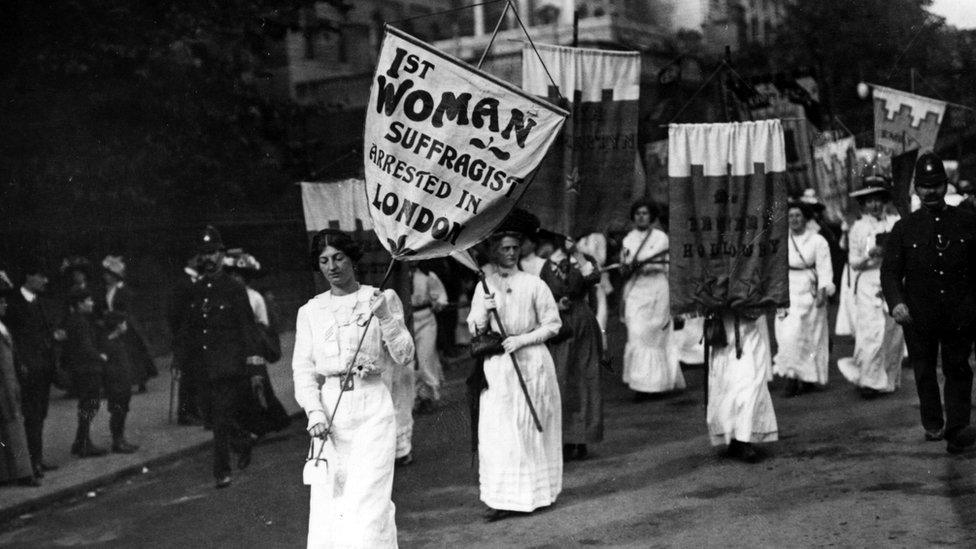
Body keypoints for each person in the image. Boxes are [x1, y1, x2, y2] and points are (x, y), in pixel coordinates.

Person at [292, 229, 414, 548]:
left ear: (352, 259)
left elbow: (404, 355)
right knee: (333, 499)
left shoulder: (380, 298)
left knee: (369, 499)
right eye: (324, 260)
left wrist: (385, 317)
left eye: (338, 257)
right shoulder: (310, 312)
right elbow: (302, 370)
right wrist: (315, 413)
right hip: (332, 413)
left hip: (373, 407)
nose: (332, 266)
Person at [882, 152, 976, 453]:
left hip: (959, 311)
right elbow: (890, 272)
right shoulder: (904, 228)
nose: (930, 191)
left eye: (936, 185)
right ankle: (933, 422)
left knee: (958, 367)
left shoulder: (967, 222)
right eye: (924, 186)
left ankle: (958, 426)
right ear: (916, 189)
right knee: (923, 371)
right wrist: (896, 302)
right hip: (918, 314)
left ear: (946, 185)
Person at [467, 230, 563, 522]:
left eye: (514, 247)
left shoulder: (534, 283)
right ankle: (502, 497)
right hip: (498, 366)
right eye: (504, 248)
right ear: (494, 251)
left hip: (531, 362)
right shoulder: (484, 284)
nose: (510, 253)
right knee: (499, 431)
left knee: (527, 427)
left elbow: (553, 324)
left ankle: (534, 494)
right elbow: (475, 328)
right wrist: (485, 309)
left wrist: (523, 340)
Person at [181, 226, 265, 488]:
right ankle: (242, 440)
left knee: (218, 419)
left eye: (212, 253)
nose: (208, 259)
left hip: (229, 366)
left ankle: (222, 471)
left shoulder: (233, 288)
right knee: (210, 416)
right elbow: (191, 328)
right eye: (203, 254)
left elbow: (247, 329)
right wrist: (181, 360)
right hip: (204, 367)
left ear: (221, 255)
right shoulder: (197, 289)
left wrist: (253, 368)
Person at [537, 230, 603, 461]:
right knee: (561, 378)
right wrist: (555, 304)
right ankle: (564, 438)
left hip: (582, 321)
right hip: (560, 323)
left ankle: (582, 437)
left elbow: (594, 277)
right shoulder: (548, 265)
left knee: (585, 377)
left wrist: (577, 253)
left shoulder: (582, 259)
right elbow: (540, 295)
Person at [837, 175, 904, 398]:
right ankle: (869, 380)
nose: (874, 205)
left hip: (892, 279)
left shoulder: (894, 222)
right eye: (869, 201)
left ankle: (888, 378)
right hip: (868, 281)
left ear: (884, 201)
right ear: (863, 204)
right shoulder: (858, 228)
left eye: (878, 200)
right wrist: (869, 255)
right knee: (871, 332)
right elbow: (854, 263)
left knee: (893, 331)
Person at [620, 199, 685, 399]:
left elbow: (662, 263)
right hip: (637, 289)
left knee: (656, 336)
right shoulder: (628, 239)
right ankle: (640, 384)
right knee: (636, 333)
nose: (641, 216)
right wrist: (629, 266)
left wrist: (642, 264)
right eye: (637, 213)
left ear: (652, 216)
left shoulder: (661, 238)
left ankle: (656, 384)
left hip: (658, 289)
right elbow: (624, 264)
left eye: (645, 213)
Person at [5, 261, 64, 478]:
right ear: (29, 277)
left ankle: (37, 458)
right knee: (32, 416)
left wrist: (54, 337)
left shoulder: (40, 302)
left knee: (40, 415)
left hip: (44, 368)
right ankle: (32, 462)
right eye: (41, 276)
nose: (45, 280)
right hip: (28, 370)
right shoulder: (13, 305)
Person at [224, 251, 290, 439]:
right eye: (232, 275)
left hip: (253, 344)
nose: (235, 279)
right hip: (235, 347)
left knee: (258, 384)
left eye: (239, 276)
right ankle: (248, 425)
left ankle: (266, 423)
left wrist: (254, 332)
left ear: (245, 278)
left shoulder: (255, 298)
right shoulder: (228, 297)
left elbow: (264, 324)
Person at [773, 202, 835, 396]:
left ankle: (808, 377)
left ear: (806, 218)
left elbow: (825, 267)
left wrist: (823, 291)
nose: (794, 220)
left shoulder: (817, 241)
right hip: (787, 289)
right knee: (788, 335)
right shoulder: (781, 240)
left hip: (810, 290)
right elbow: (774, 267)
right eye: (790, 216)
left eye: (798, 215)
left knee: (810, 338)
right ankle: (791, 377)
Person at [706, 312, 779, 463]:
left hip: (748, 330)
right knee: (726, 387)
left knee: (749, 384)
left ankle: (744, 438)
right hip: (723, 332)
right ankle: (733, 437)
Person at [0, 271, 38, 486]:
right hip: (4, 387)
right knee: (11, 430)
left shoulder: (3, 327)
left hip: (9, 384)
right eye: (1, 302)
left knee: (12, 429)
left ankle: (19, 472)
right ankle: (22, 474)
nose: (5, 305)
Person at [63, 288, 110, 457]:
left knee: (88, 404)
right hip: (87, 369)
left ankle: (80, 441)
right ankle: (83, 443)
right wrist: (101, 357)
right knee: (90, 404)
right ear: (79, 304)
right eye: (89, 300)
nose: (92, 303)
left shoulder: (77, 319)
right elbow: (85, 347)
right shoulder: (80, 322)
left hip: (82, 368)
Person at [100, 256, 156, 393]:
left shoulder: (123, 290)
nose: (106, 277)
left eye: (108, 275)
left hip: (124, 323)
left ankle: (140, 380)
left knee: (132, 352)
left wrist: (117, 318)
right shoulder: (107, 290)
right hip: (111, 323)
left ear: (115, 276)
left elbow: (126, 309)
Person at [169, 254, 206, 426]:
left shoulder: (200, 279)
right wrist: (180, 333)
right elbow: (174, 313)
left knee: (198, 374)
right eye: (198, 257)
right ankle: (185, 413)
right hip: (187, 336)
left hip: (199, 334)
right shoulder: (182, 283)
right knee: (188, 375)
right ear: (190, 259)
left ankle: (196, 409)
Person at [411, 261, 448, 413]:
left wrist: (438, 303)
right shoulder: (398, 277)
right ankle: (416, 397)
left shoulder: (427, 276)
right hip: (406, 321)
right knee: (409, 362)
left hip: (425, 320)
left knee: (425, 357)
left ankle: (430, 395)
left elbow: (441, 296)